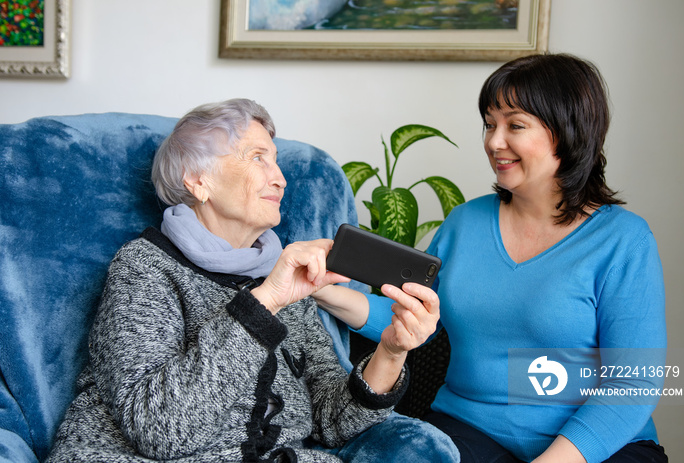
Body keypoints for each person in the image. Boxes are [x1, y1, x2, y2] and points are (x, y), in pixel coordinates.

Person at [46, 98, 459, 462]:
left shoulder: (284, 278)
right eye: (257, 157)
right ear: (197, 180)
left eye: (275, 160)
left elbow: (332, 421)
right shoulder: (144, 268)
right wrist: (267, 301)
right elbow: (160, 430)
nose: (279, 177)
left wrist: (390, 351)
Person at [314, 53, 668, 463]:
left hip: (596, 448)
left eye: (515, 125)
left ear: (569, 132)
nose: (493, 142)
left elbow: (634, 385)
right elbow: (406, 316)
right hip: (468, 432)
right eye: (489, 123)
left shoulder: (624, 240)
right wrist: (323, 289)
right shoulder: (465, 222)